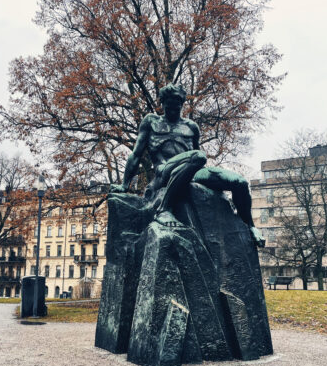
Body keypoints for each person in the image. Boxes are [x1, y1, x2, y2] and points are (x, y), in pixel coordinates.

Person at [110, 83, 265, 247]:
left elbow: (197, 161)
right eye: (168, 106)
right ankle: (164, 210)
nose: (172, 110)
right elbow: (136, 154)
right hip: (164, 171)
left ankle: (250, 227)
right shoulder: (151, 122)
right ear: (162, 104)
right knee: (198, 156)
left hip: (193, 171)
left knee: (240, 182)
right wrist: (125, 185)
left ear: (182, 104)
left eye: (176, 107)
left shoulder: (191, 127)